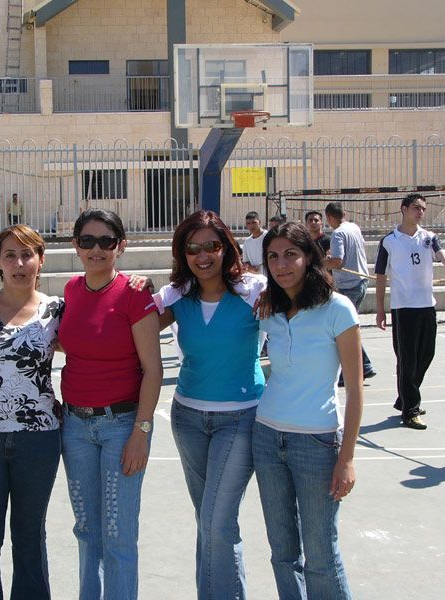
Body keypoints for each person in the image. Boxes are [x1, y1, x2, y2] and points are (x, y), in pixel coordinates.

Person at [152, 210, 267, 600]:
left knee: (218, 522)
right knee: (209, 521)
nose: (203, 256)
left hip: (240, 418)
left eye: (212, 246)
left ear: (226, 247)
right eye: (192, 248)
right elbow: (131, 326)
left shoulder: (254, 290)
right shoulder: (176, 295)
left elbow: (302, 314)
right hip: (187, 419)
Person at [254, 222, 363, 600]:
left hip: (316, 443)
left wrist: (346, 458)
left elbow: (355, 389)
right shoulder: (269, 308)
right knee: (282, 553)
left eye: (290, 255)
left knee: (320, 555)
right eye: (273, 257)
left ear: (309, 257)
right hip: (266, 440)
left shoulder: (338, 309)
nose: (281, 265)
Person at [58, 208, 162, 600]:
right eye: (87, 241)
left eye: (106, 241)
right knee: (87, 530)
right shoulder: (71, 289)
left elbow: (153, 370)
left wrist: (141, 432)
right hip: (75, 427)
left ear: (121, 246)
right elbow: (75, 342)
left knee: (118, 535)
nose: (96, 249)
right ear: (75, 246)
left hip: (121, 426)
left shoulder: (135, 293)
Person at [0, 224, 63, 599]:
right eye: (10, 255)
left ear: (40, 260)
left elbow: (88, 350)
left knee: (29, 536)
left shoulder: (56, 310)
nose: (19, 264)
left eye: (27, 255)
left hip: (38, 440)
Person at [374, 194, 445, 430]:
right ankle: (411, 410)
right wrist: (380, 309)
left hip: (426, 305)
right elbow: (380, 276)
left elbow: (443, 255)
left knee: (426, 354)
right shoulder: (389, 241)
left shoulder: (429, 237)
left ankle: (406, 397)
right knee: (407, 359)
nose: (420, 212)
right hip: (403, 308)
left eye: (423, 209)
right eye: (416, 208)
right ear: (404, 209)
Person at [323, 202, 377, 386]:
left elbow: (338, 262)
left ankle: (356, 370)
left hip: (349, 285)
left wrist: (319, 263)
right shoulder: (354, 227)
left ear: (329, 217)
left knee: (342, 330)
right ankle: (365, 366)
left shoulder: (338, 233)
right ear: (344, 213)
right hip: (360, 282)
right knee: (347, 327)